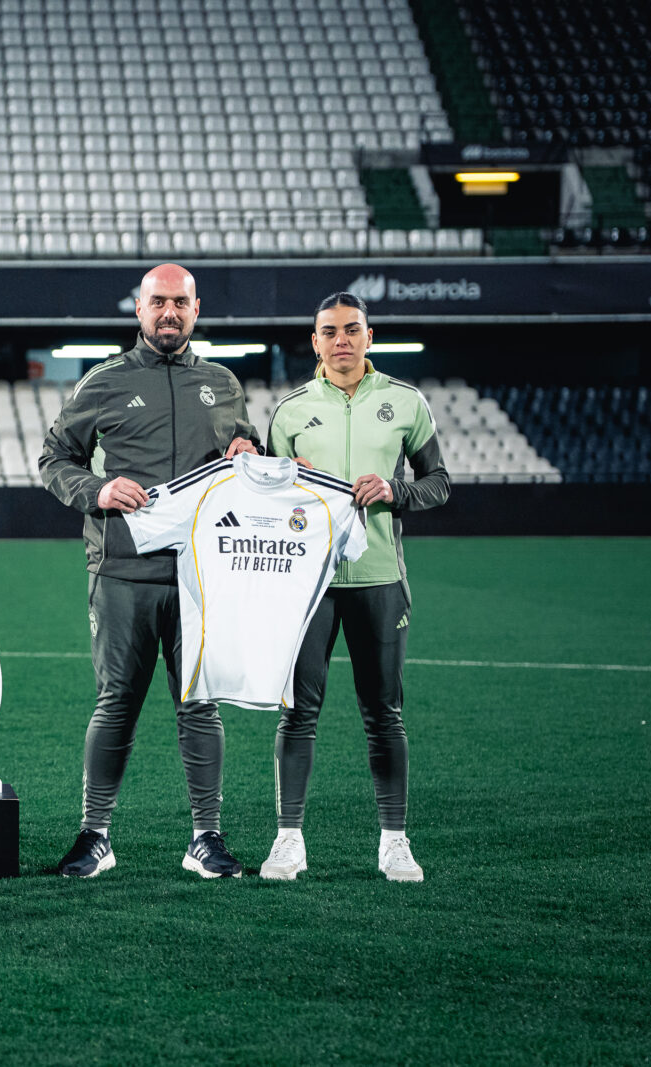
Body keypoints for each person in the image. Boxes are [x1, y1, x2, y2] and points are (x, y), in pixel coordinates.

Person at [40, 263, 260, 879]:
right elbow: (55, 458)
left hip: (203, 573)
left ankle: (206, 839)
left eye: (179, 304)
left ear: (196, 310)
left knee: (200, 705)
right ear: (138, 310)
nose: (168, 313)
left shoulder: (222, 382)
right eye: (157, 302)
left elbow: (245, 456)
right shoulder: (104, 381)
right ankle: (95, 835)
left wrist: (249, 452)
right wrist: (99, 489)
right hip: (122, 571)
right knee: (116, 703)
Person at [262, 291, 450, 882]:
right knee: (297, 715)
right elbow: (270, 497)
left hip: (379, 581)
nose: (341, 340)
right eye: (329, 331)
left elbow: (439, 483)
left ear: (369, 336)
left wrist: (397, 493)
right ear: (314, 341)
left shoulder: (406, 402)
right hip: (307, 588)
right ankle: (288, 839)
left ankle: (394, 841)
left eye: (351, 329)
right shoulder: (290, 412)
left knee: (384, 714)